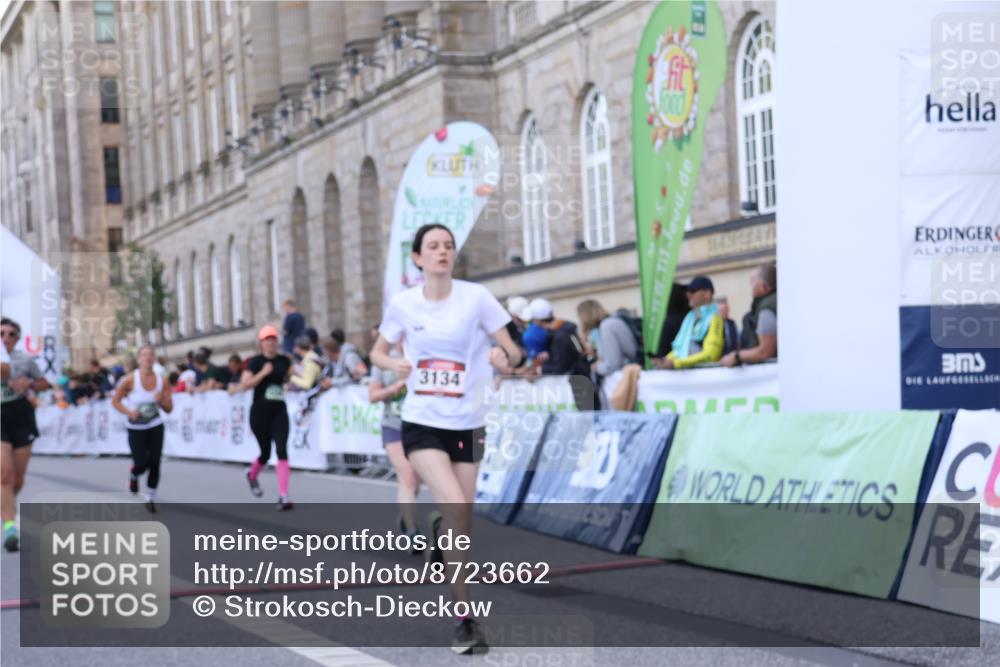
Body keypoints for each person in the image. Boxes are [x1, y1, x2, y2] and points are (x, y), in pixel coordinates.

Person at [370, 223, 521, 654]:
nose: (442, 251)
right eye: (433, 246)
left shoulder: (476, 298)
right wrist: (394, 362)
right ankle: (465, 620)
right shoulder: (404, 304)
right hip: (422, 421)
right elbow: (377, 351)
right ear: (418, 258)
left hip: (469, 422)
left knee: (462, 522)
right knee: (455, 505)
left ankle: (438, 527)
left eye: (448, 246)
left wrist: (502, 356)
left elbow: (515, 351)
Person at [1, 318, 50, 552]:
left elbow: (45, 383)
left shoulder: (24, 360)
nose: (6, 338)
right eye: (2, 333)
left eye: (12, 334)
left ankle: (6, 504)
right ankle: (10, 526)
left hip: (21, 415)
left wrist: (29, 383)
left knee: (17, 479)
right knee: (5, 476)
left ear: (18, 338)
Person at [368, 339, 423, 546]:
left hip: (419, 427)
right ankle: (412, 530)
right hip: (393, 427)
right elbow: (372, 396)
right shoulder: (384, 362)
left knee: (415, 481)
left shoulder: (423, 356)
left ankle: (405, 515)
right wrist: (396, 387)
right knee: (407, 476)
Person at [111, 345, 173, 513]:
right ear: (139, 360)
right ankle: (134, 474)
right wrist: (129, 412)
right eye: (144, 355)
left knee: (155, 462)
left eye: (151, 355)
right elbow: (115, 401)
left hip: (155, 426)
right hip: (136, 428)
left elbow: (169, 409)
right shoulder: (130, 379)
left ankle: (150, 497)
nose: (147, 358)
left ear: (154, 358)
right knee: (141, 464)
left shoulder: (162, 380)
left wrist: (161, 401)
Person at [242, 324, 294, 510]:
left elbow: (287, 379)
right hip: (260, 413)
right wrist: (263, 373)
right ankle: (252, 475)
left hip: (279, 411)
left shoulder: (284, 360)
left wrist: (292, 380)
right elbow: (245, 385)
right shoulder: (254, 362)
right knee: (265, 453)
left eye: (273, 339)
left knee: (281, 450)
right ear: (261, 343)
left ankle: (283, 496)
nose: (271, 342)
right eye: (267, 339)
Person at [530, 298, 597, 410]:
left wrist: (540, 370)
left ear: (538, 320)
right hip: (583, 380)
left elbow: (561, 366)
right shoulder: (567, 327)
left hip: (577, 386)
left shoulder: (560, 336)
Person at [654, 275, 724, 370]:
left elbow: (711, 355)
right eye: (688, 291)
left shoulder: (715, 318)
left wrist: (676, 363)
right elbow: (680, 349)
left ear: (707, 294)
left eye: (693, 291)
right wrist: (664, 360)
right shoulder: (690, 318)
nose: (688, 295)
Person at [722, 262, 777, 367]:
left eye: (752, 283)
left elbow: (765, 351)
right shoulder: (775, 301)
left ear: (763, 287)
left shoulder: (767, 309)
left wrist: (736, 356)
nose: (751, 288)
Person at [576, 299, 639, 378]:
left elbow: (612, 365)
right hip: (628, 374)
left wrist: (595, 367)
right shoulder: (606, 324)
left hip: (627, 376)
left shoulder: (606, 326)